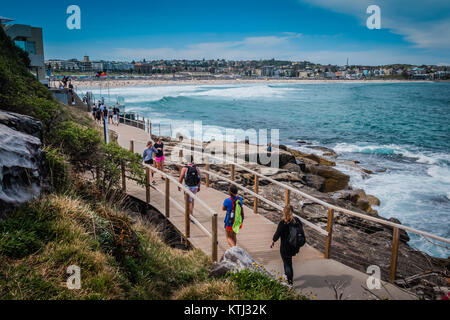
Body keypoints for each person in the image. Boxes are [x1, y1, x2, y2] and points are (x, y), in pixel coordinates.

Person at [270, 205, 304, 285]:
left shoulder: (283, 222)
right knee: (289, 262)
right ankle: (287, 276)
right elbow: (301, 231)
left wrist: (273, 241)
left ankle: (290, 282)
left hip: (285, 247)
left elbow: (277, 234)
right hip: (294, 246)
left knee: (287, 264)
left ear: (284, 212)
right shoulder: (297, 220)